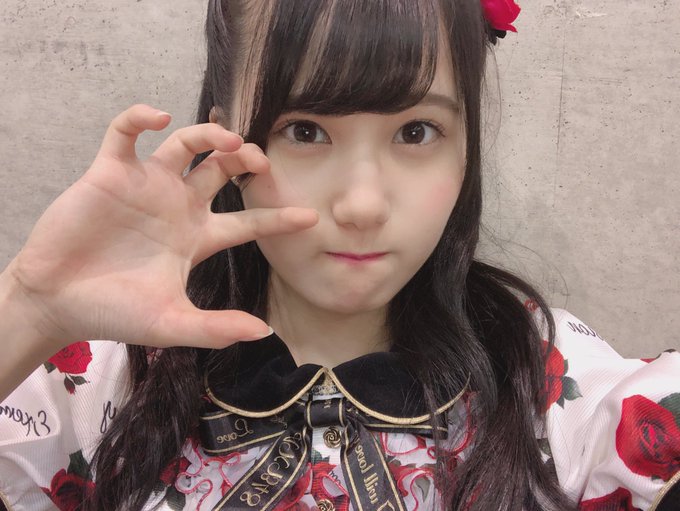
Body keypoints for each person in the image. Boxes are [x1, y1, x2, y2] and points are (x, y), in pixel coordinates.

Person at [0, 1, 678, 510]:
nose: (362, 203)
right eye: (305, 130)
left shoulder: (545, 378)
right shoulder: (98, 377)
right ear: (224, 137)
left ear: (467, 145)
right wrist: (29, 307)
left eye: (416, 132)